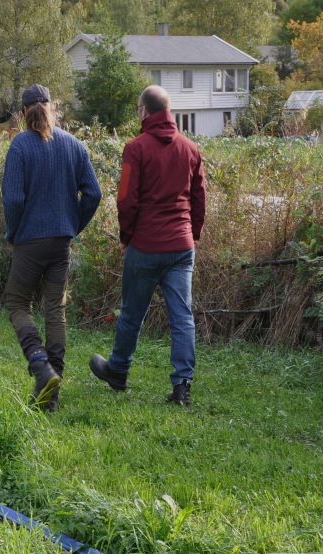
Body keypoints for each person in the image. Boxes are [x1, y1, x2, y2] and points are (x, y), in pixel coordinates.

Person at [89, 85, 206, 406]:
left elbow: (126, 200)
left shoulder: (135, 148)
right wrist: (191, 235)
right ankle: (182, 386)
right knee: (182, 318)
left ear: (143, 111)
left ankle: (118, 371)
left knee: (131, 314)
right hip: (182, 247)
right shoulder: (191, 149)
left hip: (145, 245)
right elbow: (199, 200)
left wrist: (127, 238)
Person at [1, 84, 101, 412]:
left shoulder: (20, 145)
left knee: (17, 303)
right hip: (61, 243)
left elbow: (14, 199)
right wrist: (73, 225)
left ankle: (41, 367)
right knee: (55, 310)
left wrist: (14, 231)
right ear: (51, 107)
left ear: (22, 112)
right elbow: (94, 194)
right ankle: (52, 392)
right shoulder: (74, 145)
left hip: (30, 241)